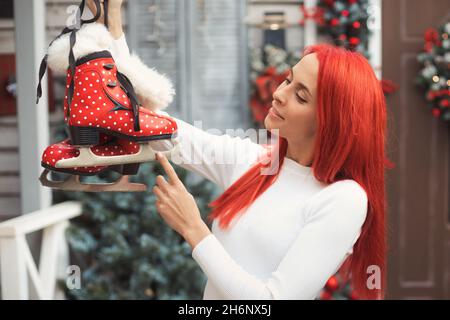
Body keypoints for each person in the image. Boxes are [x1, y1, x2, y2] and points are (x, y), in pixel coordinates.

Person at [86, 0, 389, 300]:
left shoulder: (342, 199)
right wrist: (111, 23)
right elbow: (152, 124)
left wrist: (194, 229)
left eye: (301, 96)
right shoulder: (253, 162)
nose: (280, 94)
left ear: (331, 121)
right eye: (288, 79)